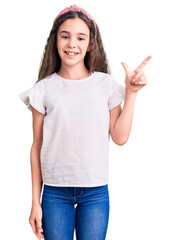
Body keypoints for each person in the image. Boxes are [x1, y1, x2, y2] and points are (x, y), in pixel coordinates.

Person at [18, 4, 152, 240]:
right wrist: (34, 202)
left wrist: (131, 93)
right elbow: (36, 146)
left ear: (90, 44)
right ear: (55, 41)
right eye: (65, 36)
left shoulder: (106, 85)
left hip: (95, 193)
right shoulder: (43, 90)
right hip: (54, 194)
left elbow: (119, 138)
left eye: (81, 38)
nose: (72, 44)